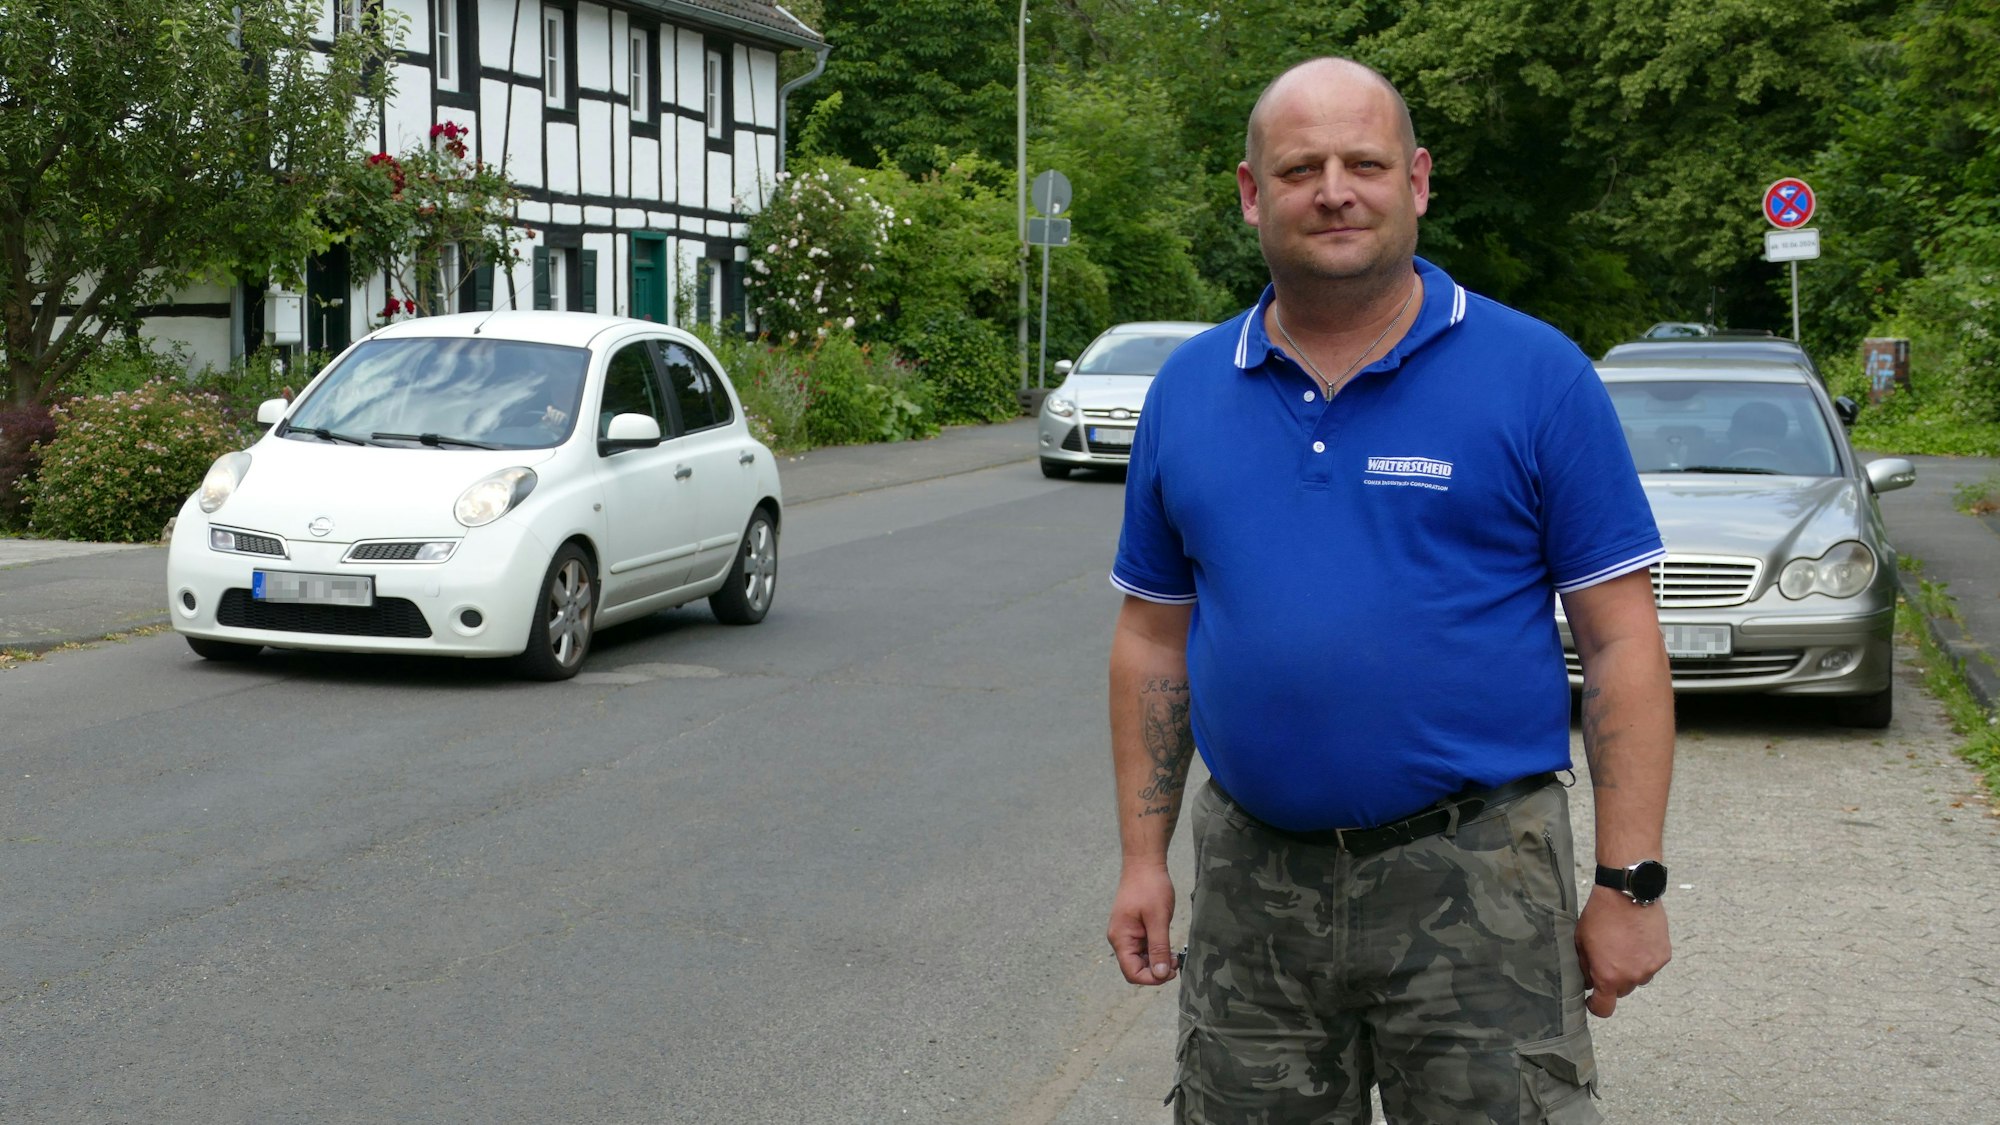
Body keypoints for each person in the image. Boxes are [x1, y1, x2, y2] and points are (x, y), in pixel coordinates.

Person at [1104, 57, 1675, 1124]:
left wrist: (1627, 881)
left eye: (1361, 162)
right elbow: (1149, 640)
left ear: (1414, 182)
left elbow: (1619, 644)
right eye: (1299, 167)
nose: (1332, 189)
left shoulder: (1536, 375)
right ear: (1248, 193)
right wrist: (1143, 860)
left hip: (1476, 881)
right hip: (1252, 889)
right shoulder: (1186, 390)